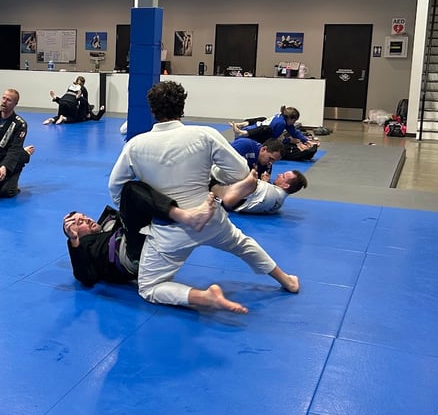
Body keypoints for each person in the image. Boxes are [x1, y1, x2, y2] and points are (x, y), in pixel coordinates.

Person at [108, 80, 300, 314]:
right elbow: (240, 172)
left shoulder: (135, 145)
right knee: (242, 244)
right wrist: (214, 179)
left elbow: (116, 189)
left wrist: (149, 209)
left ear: (152, 110)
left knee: (149, 287)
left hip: (170, 229)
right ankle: (287, 280)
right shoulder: (204, 134)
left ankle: (204, 297)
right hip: (210, 216)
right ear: (182, 107)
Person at [63, 181, 220, 287]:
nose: (87, 219)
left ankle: (213, 192)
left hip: (140, 236)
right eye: (80, 222)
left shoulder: (107, 221)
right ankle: (188, 217)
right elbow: (85, 277)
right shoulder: (85, 247)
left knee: (151, 180)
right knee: (129, 190)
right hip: (130, 254)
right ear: (75, 234)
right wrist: (74, 242)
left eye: (84, 216)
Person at [230, 106, 318, 160]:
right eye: (294, 121)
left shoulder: (281, 117)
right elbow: (272, 140)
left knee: (263, 120)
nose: (294, 123)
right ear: (290, 118)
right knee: (267, 129)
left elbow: (293, 131)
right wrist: (288, 140)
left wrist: (305, 140)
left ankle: (243, 125)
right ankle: (243, 132)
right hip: (251, 136)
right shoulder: (281, 123)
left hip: (252, 130)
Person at [211, 169, 308, 214]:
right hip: (237, 204)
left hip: (232, 197)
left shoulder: (269, 190)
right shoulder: (278, 204)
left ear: (286, 185)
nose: (279, 174)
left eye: (283, 176)